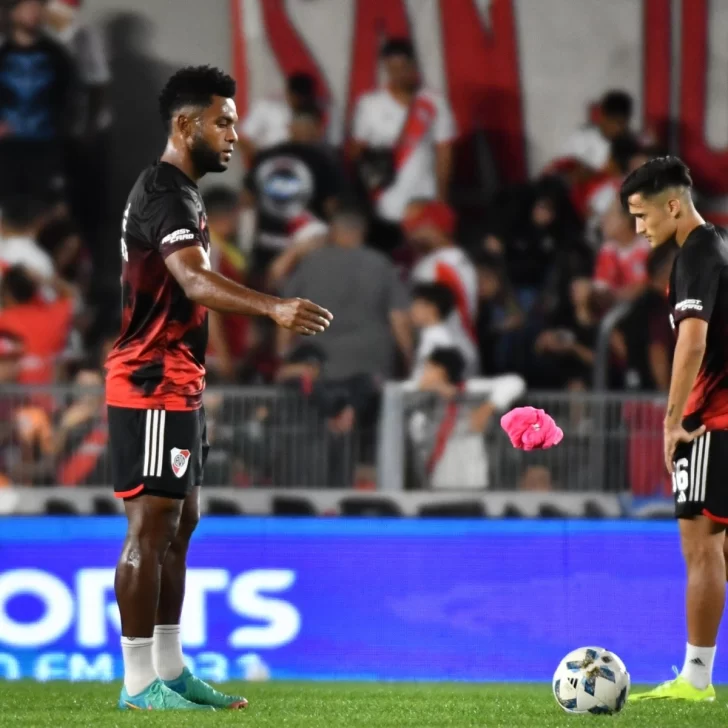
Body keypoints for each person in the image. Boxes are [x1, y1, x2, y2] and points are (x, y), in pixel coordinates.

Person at [104, 65, 332, 711]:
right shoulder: (164, 193)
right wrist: (273, 307)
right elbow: (195, 281)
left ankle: (171, 672)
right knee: (150, 528)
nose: (234, 134)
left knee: (181, 524)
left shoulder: (186, 193)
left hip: (179, 380)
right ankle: (138, 685)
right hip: (150, 380)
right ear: (186, 125)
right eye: (223, 122)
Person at [623, 157, 728, 703]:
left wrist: (674, 420)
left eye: (642, 215)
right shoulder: (720, 244)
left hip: (711, 419)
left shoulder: (697, 251)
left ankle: (696, 680)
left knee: (701, 546)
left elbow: (692, 342)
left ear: (672, 205)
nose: (639, 228)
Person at [351, 37, 455, 252]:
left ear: (413, 65)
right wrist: (374, 165)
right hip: (384, 204)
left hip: (424, 201)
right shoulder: (369, 104)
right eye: (391, 69)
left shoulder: (433, 102)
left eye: (402, 68)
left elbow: (444, 152)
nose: (397, 74)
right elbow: (355, 152)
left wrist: (441, 199)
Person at [243, 104, 342, 284]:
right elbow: (332, 206)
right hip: (305, 250)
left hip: (265, 245)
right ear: (316, 130)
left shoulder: (264, 156)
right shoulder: (324, 160)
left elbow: (247, 200)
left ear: (290, 128)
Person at [0, 0, 74, 202]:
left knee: (45, 207)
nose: (35, 13)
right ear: (13, 13)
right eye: (28, 7)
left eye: (38, 7)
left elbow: (70, 97)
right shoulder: (3, 54)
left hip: (46, 148)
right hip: (6, 149)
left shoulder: (57, 56)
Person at [405, 200, 479, 376]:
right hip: (465, 343)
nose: (412, 233)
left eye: (418, 227)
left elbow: (430, 309)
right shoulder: (463, 260)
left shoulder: (433, 265)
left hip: (443, 352)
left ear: (435, 228)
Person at [237, 71, 340, 167]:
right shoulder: (267, 107)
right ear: (288, 93)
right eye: (296, 97)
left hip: (307, 165)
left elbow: (333, 148)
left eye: (303, 98)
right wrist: (263, 160)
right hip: (272, 164)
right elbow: (243, 139)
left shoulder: (320, 111)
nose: (299, 101)